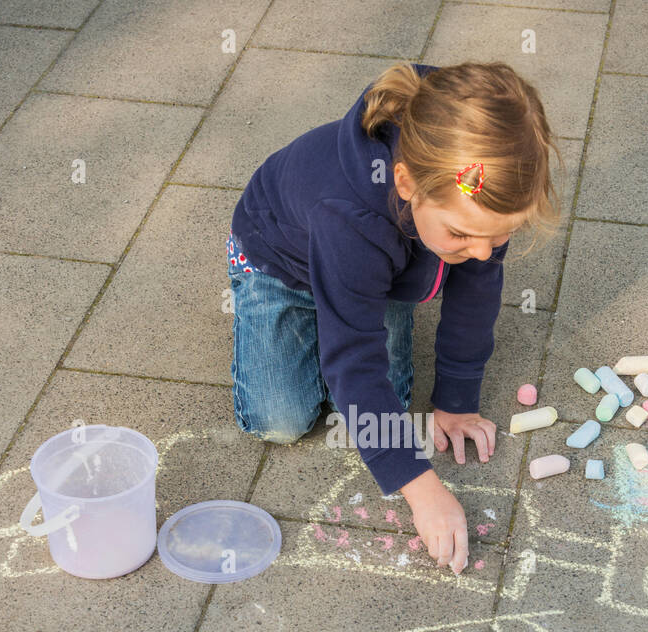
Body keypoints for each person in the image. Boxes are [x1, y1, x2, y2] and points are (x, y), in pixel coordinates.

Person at [228, 61, 563, 574]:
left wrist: (456, 400)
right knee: (281, 421)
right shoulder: (349, 218)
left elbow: (476, 293)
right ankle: (324, 308)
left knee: (392, 406)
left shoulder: (482, 192)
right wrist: (421, 488)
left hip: (383, 263)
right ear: (405, 183)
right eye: (462, 236)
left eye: (496, 239)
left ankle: (353, 303)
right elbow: (354, 360)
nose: (482, 251)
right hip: (280, 261)